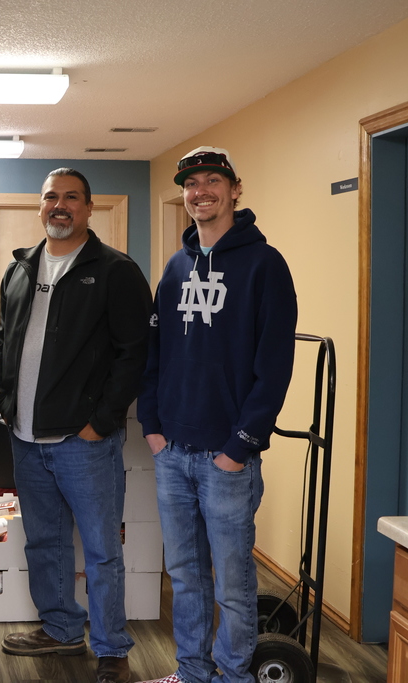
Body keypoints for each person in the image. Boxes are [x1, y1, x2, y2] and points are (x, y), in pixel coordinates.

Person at [135, 147, 297, 683]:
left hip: (226, 457)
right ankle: (192, 672)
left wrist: (240, 447)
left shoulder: (265, 264)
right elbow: (154, 355)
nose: (200, 191)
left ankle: (233, 676)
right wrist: (153, 428)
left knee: (231, 582)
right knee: (184, 575)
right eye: (191, 184)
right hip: (172, 453)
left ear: (234, 189)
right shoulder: (176, 266)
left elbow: (273, 369)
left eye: (211, 181)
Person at [0, 168, 152, 683]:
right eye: (50, 198)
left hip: (82, 443)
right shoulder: (19, 270)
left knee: (102, 550)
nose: (59, 206)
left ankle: (111, 648)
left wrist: (101, 421)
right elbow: (10, 341)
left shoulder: (114, 271)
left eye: (70, 198)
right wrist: (8, 405)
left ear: (88, 208)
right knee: (44, 541)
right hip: (25, 436)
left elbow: (135, 354)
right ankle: (61, 630)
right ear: (40, 207)